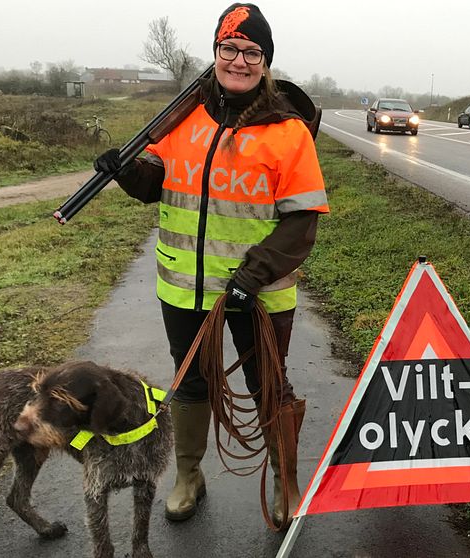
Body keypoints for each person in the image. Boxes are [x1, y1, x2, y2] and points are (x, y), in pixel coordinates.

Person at [93, 3, 328, 530]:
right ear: (215, 53)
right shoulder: (184, 119)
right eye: (229, 49)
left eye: (251, 52)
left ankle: (286, 480)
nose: (239, 61)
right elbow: (157, 184)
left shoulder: (288, 132)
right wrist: (124, 171)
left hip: (257, 293)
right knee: (191, 384)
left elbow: (301, 224)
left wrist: (250, 278)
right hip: (182, 289)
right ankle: (188, 476)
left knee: (267, 387)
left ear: (265, 62)